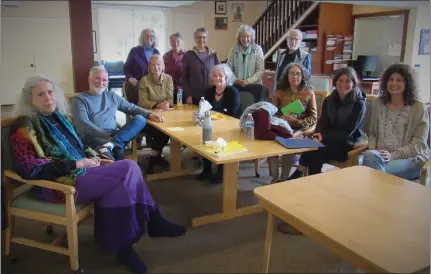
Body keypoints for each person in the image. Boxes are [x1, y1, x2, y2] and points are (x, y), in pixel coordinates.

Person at [9, 75, 186, 274]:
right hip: (59, 184)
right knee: (128, 168)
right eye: (40, 94)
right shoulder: (23, 127)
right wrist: (77, 163)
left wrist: (95, 158)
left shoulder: (58, 117)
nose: (48, 98)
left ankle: (123, 246)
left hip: (83, 172)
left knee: (121, 182)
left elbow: (80, 146)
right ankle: (151, 221)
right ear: (29, 100)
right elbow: (31, 169)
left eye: (50, 92)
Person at [71, 66, 170, 174]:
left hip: (113, 135)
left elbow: (131, 108)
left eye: (104, 80)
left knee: (140, 119)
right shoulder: (79, 99)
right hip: (91, 136)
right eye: (97, 78)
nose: (101, 82)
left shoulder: (112, 96)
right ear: (89, 79)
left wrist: (149, 114)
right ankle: (118, 167)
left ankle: (112, 147)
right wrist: (106, 135)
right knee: (117, 149)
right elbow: (82, 124)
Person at [290, 67, 366, 179]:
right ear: (335, 82)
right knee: (312, 146)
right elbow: (322, 122)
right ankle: (308, 177)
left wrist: (323, 136)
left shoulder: (359, 104)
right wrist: (317, 134)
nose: (343, 84)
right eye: (340, 80)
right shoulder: (329, 99)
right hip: (327, 137)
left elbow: (347, 132)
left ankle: (303, 174)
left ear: (354, 84)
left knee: (316, 151)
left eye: (348, 81)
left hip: (347, 142)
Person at [362, 63, 430, 180]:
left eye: (399, 80)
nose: (394, 83)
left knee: (375, 173)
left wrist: (393, 155)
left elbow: (419, 144)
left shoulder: (419, 107)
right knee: (369, 156)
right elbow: (372, 133)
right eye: (391, 79)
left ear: (407, 83)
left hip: (410, 159)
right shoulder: (378, 103)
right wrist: (373, 148)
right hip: (380, 156)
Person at [268, 63, 317, 184]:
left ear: (302, 76)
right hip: (282, 126)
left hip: (299, 129)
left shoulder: (309, 93)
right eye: (291, 73)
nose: (295, 76)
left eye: (298, 74)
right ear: (287, 76)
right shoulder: (280, 93)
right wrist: (282, 118)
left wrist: (297, 121)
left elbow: (314, 117)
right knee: (269, 143)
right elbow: (272, 113)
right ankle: (274, 177)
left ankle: (284, 179)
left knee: (289, 142)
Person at [198, 64, 240, 184]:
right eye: (215, 76)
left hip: (230, 126)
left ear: (227, 78)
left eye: (221, 76)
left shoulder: (233, 92)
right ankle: (206, 169)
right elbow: (203, 109)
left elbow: (233, 113)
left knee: (220, 137)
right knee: (205, 136)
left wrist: (217, 117)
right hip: (211, 124)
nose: (217, 78)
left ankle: (222, 171)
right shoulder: (209, 91)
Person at [182, 27, 219, 105]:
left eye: (204, 37)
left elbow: (218, 75)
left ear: (207, 39)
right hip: (194, 96)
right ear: (195, 39)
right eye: (198, 37)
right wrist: (188, 95)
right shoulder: (188, 55)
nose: (201, 40)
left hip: (211, 95)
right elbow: (184, 77)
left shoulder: (213, 55)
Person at [123, 28, 161, 104]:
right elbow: (126, 68)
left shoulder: (156, 52)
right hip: (138, 84)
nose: (150, 38)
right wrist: (130, 78)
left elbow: (160, 68)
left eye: (151, 36)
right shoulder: (135, 51)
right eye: (147, 36)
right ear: (142, 38)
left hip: (153, 86)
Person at [227, 25, 265, 93]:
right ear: (239, 38)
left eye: (248, 36)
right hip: (237, 85)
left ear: (251, 38)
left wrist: (247, 81)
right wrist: (235, 80)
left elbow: (260, 70)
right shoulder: (234, 49)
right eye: (243, 36)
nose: (245, 39)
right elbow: (228, 68)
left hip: (254, 85)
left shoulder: (257, 49)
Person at [273, 29, 311, 95]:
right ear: (287, 39)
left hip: (296, 93)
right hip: (280, 92)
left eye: (296, 39)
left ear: (300, 41)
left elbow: (306, 79)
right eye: (291, 39)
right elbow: (277, 75)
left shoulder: (305, 56)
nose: (293, 42)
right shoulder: (280, 54)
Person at [163, 32, 185, 105]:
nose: (175, 43)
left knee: (181, 111)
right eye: (173, 41)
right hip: (168, 90)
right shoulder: (165, 56)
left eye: (178, 41)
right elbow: (162, 73)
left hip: (182, 91)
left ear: (181, 42)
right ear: (170, 43)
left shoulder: (186, 55)